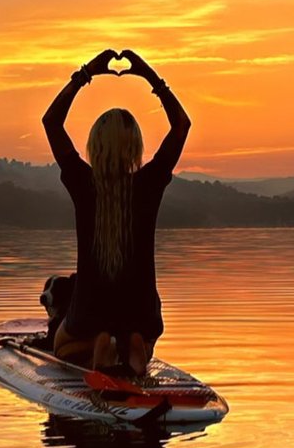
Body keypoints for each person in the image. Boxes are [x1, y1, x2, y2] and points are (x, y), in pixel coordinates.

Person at [41, 48, 191, 376]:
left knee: (61, 345)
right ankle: (135, 346)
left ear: (95, 146)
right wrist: (150, 77)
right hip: (142, 312)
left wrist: (84, 75)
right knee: (140, 333)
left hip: (90, 313)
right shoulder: (150, 183)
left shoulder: (82, 183)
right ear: (135, 148)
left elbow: (51, 122)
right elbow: (181, 125)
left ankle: (100, 344)